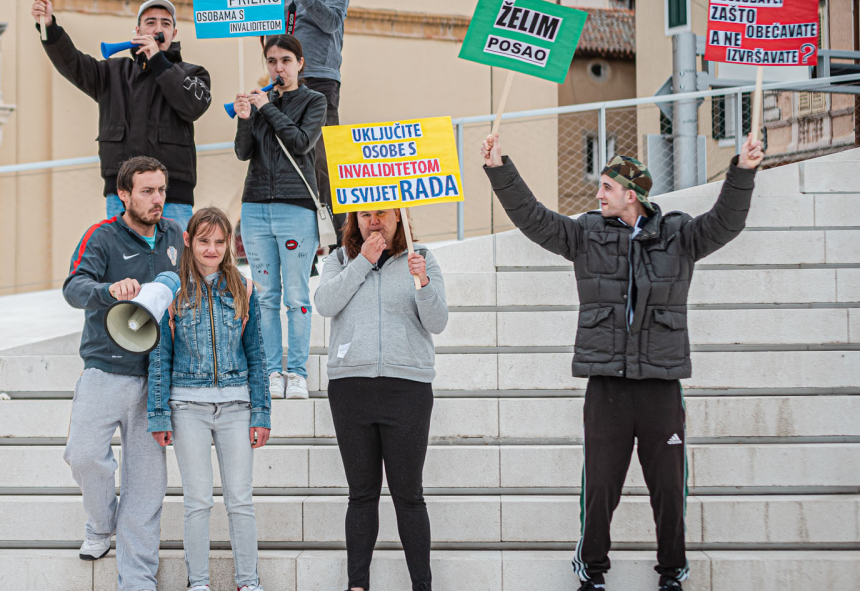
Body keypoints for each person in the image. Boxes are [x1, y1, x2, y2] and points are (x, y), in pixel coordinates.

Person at [480, 132, 765, 591]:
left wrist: (743, 171)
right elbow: (534, 220)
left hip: (660, 383)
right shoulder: (586, 233)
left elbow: (725, 223)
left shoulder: (679, 234)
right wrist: (499, 168)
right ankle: (592, 571)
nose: (598, 193)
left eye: (607, 188)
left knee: (670, 489)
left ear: (631, 195)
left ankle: (672, 572)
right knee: (600, 488)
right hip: (607, 385)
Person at [62, 156, 185, 591]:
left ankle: (137, 581)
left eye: (162, 190)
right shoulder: (101, 236)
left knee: (147, 488)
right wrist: (108, 291)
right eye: (147, 191)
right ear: (124, 196)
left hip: (157, 378)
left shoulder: (175, 235)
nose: (157, 200)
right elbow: (73, 288)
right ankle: (100, 524)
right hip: (106, 368)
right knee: (83, 455)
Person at [313, 208, 448, 591]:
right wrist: (363, 263)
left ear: (399, 216)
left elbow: (437, 322)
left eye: (383, 214)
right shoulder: (339, 260)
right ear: (354, 221)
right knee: (361, 495)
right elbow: (325, 304)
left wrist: (422, 281)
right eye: (365, 215)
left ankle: (422, 585)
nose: (374, 221)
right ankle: (357, 585)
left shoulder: (421, 258)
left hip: (407, 389)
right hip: (350, 388)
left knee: (409, 495)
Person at [147, 206, 270, 591]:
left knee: (240, 500)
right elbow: (160, 355)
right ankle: (197, 582)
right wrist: (159, 415)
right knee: (198, 500)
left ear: (229, 244)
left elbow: (257, 355)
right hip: (187, 408)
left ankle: (247, 581)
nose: (212, 249)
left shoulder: (244, 288)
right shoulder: (173, 290)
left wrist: (261, 411)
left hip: (236, 407)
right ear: (188, 241)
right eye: (204, 241)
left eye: (219, 242)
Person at [33, 0, 212, 231]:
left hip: (172, 198)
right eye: (151, 22)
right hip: (122, 197)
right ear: (137, 32)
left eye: (165, 23)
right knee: (125, 266)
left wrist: (158, 61)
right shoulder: (112, 73)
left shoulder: (193, 74)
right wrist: (49, 27)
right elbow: (73, 64)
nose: (158, 28)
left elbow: (193, 106)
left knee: (173, 265)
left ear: (174, 34)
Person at [233, 34, 326, 401]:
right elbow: (243, 152)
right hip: (255, 206)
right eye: (271, 61)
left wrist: (267, 108)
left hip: (296, 206)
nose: (278, 68)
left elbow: (301, 141)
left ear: (300, 63)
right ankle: (272, 371)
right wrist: (244, 119)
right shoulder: (260, 104)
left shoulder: (313, 101)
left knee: (297, 295)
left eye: (286, 60)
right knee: (266, 296)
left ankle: (298, 373)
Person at [281, 0, 349, 238]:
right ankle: (301, 243)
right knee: (287, 162)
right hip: (284, 84)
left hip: (320, 81)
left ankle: (341, 241)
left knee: (324, 161)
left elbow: (332, 21)